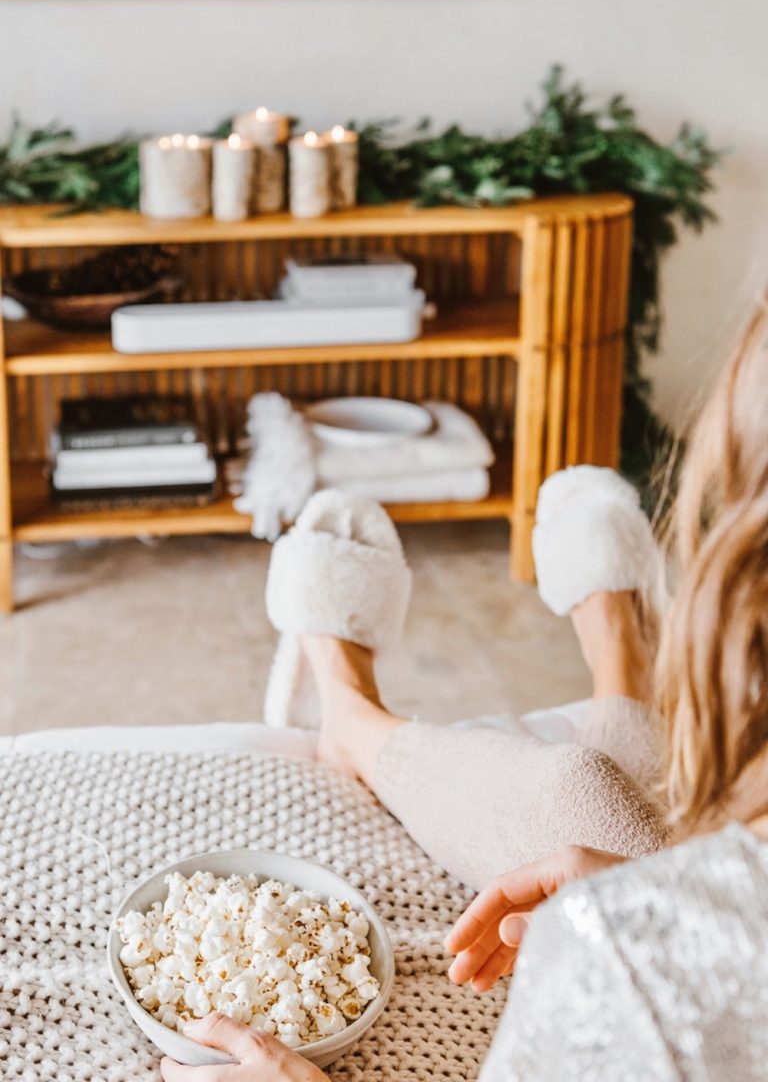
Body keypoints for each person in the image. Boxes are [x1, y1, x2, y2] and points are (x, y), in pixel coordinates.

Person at [161, 299, 768, 1080]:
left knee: (582, 789)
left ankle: (351, 716)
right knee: (597, 812)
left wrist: (643, 932)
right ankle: (624, 666)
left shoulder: (637, 978)